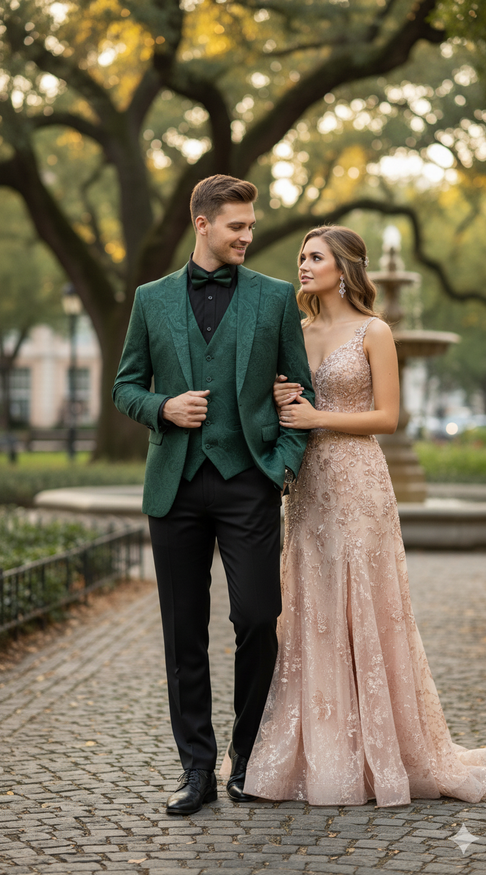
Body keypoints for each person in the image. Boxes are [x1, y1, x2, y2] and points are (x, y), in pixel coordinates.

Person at [244, 225, 486, 806]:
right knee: (314, 603)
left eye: (315, 257)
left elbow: (387, 416)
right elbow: (282, 402)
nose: (303, 266)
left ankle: (384, 749)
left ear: (345, 267)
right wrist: (286, 405)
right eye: (302, 257)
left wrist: (317, 419)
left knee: (365, 600)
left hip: (358, 480)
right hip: (307, 484)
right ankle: (321, 745)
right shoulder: (298, 330)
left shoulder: (375, 331)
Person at [112, 175, 314, 815]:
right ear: (203, 223)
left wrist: (280, 465)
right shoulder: (151, 299)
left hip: (247, 483)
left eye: (251, 226)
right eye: (237, 226)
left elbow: (301, 395)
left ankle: (246, 757)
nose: (248, 236)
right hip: (173, 486)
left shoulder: (276, 298)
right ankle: (196, 769)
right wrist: (163, 407)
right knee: (183, 634)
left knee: (257, 618)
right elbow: (125, 387)